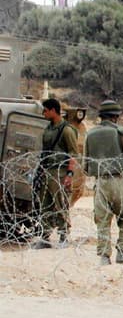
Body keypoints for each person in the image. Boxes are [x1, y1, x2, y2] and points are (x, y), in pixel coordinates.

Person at [83, 100, 123, 265]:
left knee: (102, 220)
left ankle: (104, 256)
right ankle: (122, 251)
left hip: (101, 181)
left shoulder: (90, 134)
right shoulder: (120, 132)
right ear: (116, 117)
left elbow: (85, 167)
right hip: (119, 179)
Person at [32, 98, 79, 249]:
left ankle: (63, 235)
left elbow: (73, 153)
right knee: (44, 204)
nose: (43, 113)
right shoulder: (49, 128)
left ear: (53, 110)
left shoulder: (66, 130)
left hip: (60, 171)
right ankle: (45, 237)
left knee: (60, 203)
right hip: (46, 170)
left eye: (45, 110)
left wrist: (70, 174)